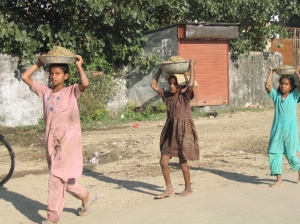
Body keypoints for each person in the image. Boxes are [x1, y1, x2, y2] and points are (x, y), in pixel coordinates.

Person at [21, 55, 97, 223]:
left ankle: (52, 217)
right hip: (52, 141)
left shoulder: (71, 91)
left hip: (67, 142)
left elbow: (85, 83)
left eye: (58, 73)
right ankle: (87, 196)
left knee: (55, 178)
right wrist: (40, 63)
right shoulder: (45, 92)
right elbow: (25, 77)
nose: (54, 76)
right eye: (52, 73)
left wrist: (79, 66)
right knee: (66, 181)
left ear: (66, 76)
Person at [151, 59, 199, 198]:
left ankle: (188, 188)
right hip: (170, 131)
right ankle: (169, 188)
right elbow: (153, 84)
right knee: (163, 161)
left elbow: (190, 85)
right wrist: (160, 69)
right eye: (170, 83)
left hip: (184, 131)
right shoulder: (167, 96)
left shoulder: (185, 97)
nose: (171, 86)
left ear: (179, 86)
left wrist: (191, 67)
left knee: (182, 162)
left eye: (174, 84)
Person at [265, 66, 300, 187]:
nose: (283, 86)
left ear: (291, 86)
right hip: (277, 130)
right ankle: (279, 180)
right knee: (274, 153)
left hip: (290, 131)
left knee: (291, 155)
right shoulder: (277, 97)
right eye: (281, 83)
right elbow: (267, 87)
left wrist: (297, 72)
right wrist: (271, 73)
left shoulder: (294, 96)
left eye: (286, 84)